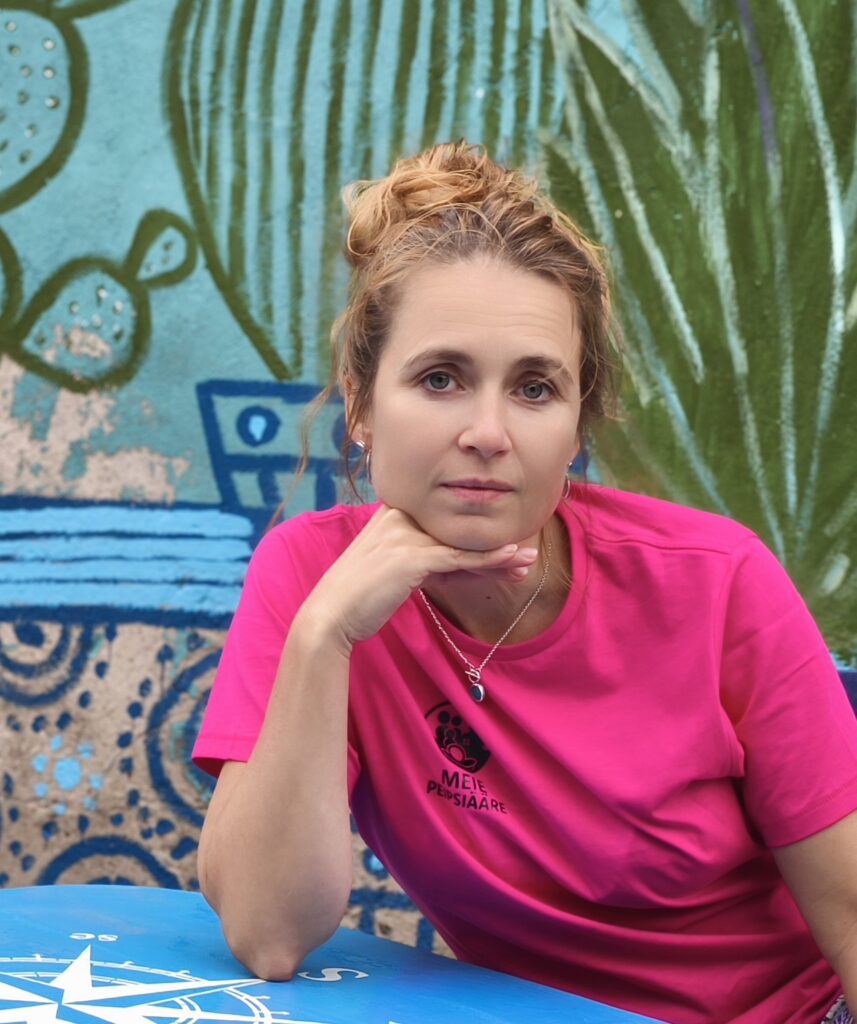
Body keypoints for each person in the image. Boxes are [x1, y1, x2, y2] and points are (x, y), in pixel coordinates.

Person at [192, 142, 857, 1024]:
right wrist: (326, 639)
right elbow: (267, 934)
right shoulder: (313, 580)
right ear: (359, 404)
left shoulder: (717, 584)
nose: (487, 432)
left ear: (577, 424)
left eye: (535, 389)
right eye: (440, 379)